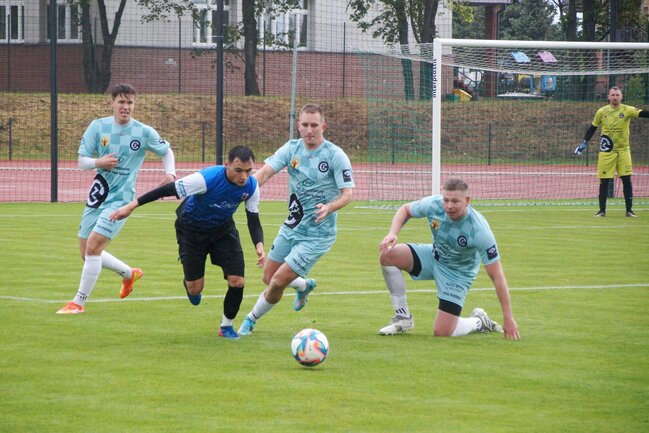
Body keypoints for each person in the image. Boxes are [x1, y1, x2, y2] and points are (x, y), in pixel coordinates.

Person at [108, 145, 265, 339]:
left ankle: (226, 326)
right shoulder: (206, 179)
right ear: (227, 165)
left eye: (249, 171)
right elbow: (167, 189)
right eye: (238, 170)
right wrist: (131, 206)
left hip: (223, 231)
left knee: (238, 281)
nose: (244, 177)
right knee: (195, 289)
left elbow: (253, 218)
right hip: (191, 231)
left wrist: (259, 245)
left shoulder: (251, 186)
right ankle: (190, 285)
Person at [57, 83, 176, 315]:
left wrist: (170, 174)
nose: (126, 107)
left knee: (93, 247)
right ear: (112, 103)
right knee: (86, 252)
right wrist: (98, 162)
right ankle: (129, 274)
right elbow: (81, 161)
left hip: (121, 200)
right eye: (121, 102)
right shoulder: (98, 127)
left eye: (130, 102)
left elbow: (166, 151)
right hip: (97, 195)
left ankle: (78, 303)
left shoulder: (143, 132)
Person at [237, 103, 355, 336]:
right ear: (298, 126)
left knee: (278, 280)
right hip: (292, 226)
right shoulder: (291, 149)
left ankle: (250, 320)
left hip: (318, 235)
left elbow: (348, 194)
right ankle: (303, 285)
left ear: (323, 127)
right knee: (268, 277)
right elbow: (264, 173)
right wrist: (241, 189)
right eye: (305, 125)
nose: (310, 130)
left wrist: (329, 207)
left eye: (314, 125)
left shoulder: (335, 155)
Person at [377, 178, 520, 340]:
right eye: (446, 200)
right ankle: (403, 318)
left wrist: (508, 317)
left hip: (457, 274)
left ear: (467, 201)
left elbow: (497, 276)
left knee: (442, 332)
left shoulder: (479, 230)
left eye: (455, 201)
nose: (449, 206)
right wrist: (392, 233)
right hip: (434, 257)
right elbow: (406, 210)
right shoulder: (434, 205)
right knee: (387, 255)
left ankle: (479, 321)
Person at [575, 86, 649, 217]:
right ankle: (602, 211)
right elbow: (592, 128)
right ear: (609, 97)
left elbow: (643, 113)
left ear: (621, 97)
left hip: (623, 150)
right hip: (606, 151)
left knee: (627, 180)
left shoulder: (627, 110)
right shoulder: (602, 111)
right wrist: (584, 143)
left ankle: (629, 211)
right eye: (613, 95)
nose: (615, 97)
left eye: (617, 95)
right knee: (604, 181)